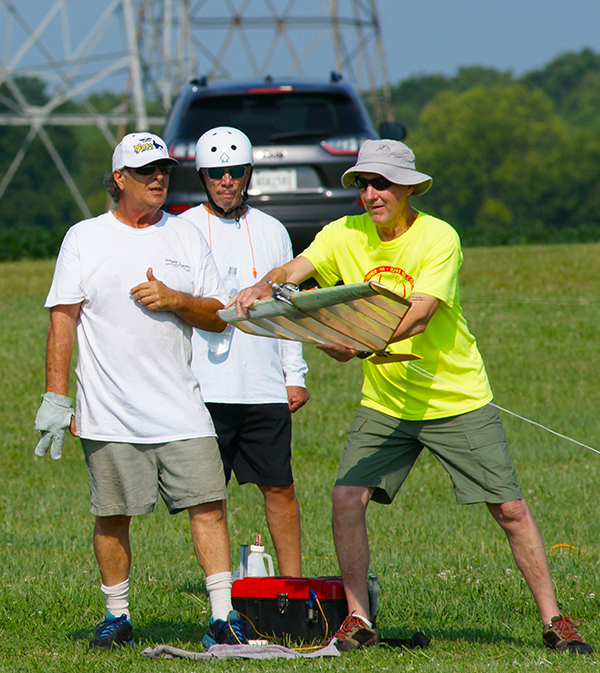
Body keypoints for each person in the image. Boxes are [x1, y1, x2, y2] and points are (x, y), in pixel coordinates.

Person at [231, 139, 593, 654]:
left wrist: (356, 345)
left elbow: (420, 313)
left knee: (510, 508)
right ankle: (357, 619)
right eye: (363, 184)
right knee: (346, 499)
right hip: (387, 402)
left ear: (407, 188)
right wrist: (265, 287)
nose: (371, 194)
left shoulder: (438, 237)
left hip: (456, 397)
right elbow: (297, 270)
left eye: (382, 184)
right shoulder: (343, 233)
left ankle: (555, 620)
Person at [33, 132, 248, 650]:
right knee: (112, 514)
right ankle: (117, 617)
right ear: (119, 179)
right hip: (109, 411)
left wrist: (176, 299)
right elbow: (63, 321)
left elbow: (219, 318)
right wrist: (56, 399)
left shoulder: (186, 235)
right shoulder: (84, 238)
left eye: (165, 170)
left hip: (180, 406)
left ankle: (223, 617)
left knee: (210, 505)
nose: (158, 179)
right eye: (146, 171)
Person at [180, 126, 309, 577]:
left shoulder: (272, 230)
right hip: (203, 388)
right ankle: (221, 597)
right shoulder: (183, 230)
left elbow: (286, 309)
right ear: (203, 177)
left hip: (263, 386)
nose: (226, 181)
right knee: (208, 499)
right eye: (216, 173)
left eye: (235, 172)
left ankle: (291, 585)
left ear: (249, 174)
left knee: (280, 489)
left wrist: (295, 373)